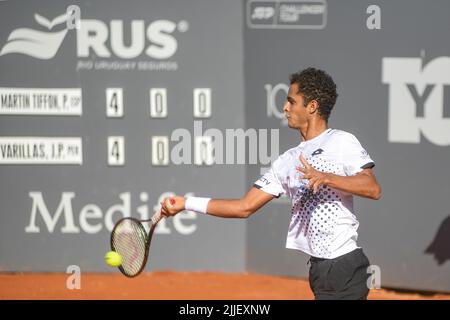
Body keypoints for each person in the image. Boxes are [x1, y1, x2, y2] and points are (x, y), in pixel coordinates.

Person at [160, 67, 381, 300]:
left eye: (291, 102)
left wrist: (327, 177)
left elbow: (372, 188)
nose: (285, 108)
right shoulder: (285, 161)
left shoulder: (341, 141)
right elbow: (243, 207)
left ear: (312, 107)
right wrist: (186, 203)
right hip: (319, 270)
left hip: (345, 266)